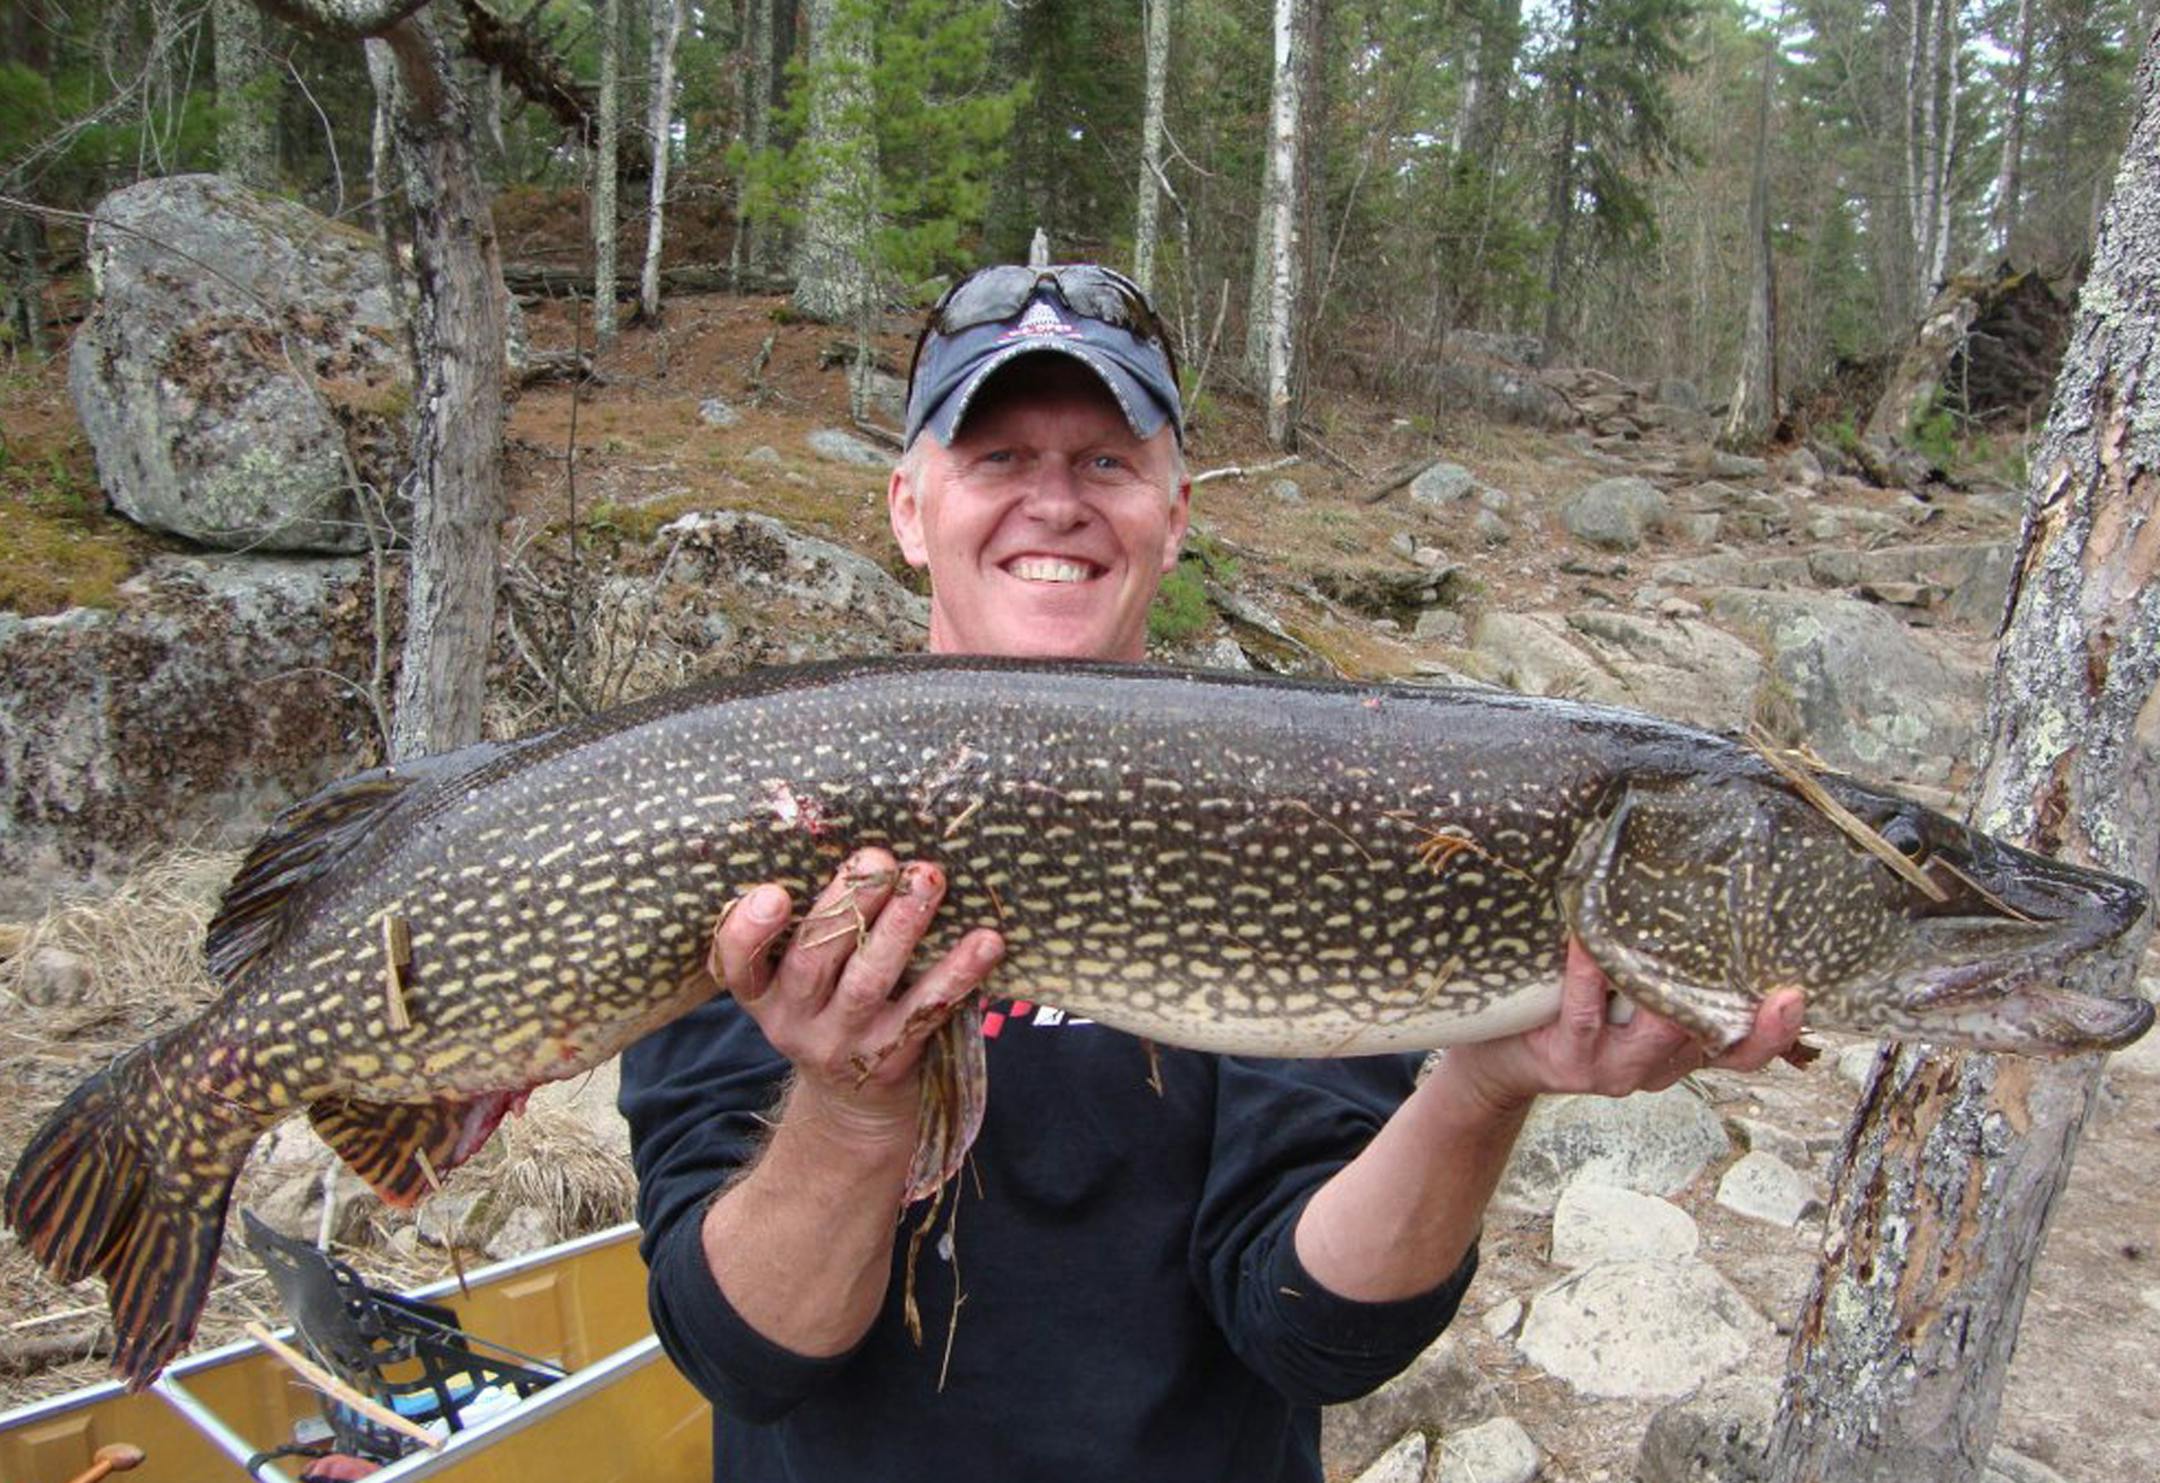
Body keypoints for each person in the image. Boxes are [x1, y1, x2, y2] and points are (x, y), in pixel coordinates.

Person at [618, 264, 1801, 1481]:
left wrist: (1485, 1084)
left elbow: (1311, 1329)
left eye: (1106, 463)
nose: (1056, 503)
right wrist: (854, 1111)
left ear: (1175, 515)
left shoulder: (1298, 803)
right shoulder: (779, 807)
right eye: (999, 459)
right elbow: (742, 1354)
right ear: (909, 508)